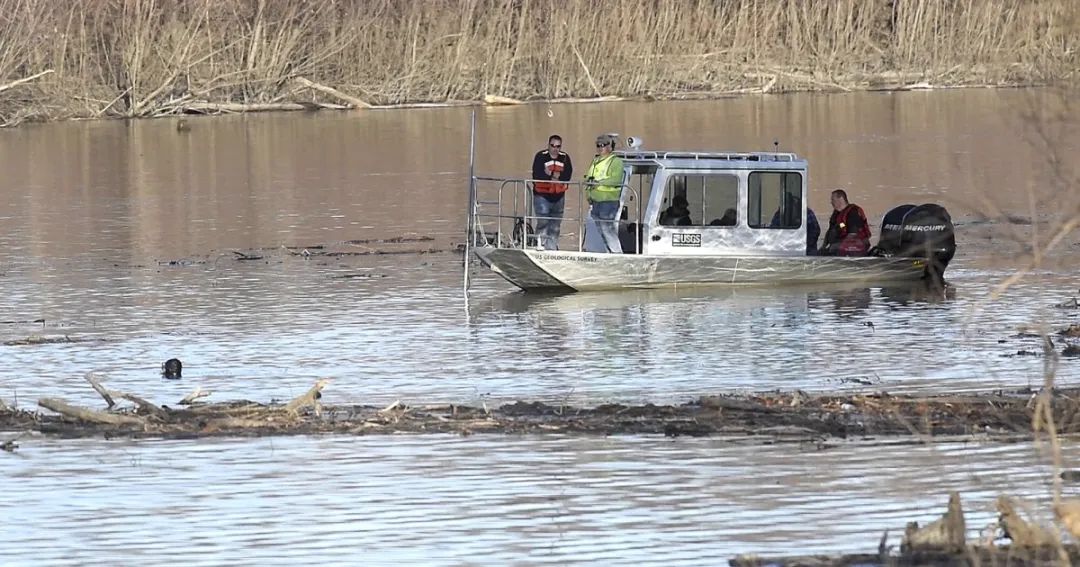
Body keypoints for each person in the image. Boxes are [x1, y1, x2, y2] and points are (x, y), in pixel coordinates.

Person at [530, 134, 573, 250]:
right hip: (542, 196)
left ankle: (552, 249)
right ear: (548, 145)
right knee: (543, 222)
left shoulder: (565, 158)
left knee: (556, 226)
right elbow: (537, 175)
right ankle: (539, 245)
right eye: (553, 145)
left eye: (558, 146)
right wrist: (555, 176)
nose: (555, 149)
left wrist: (551, 174)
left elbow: (567, 175)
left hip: (559, 197)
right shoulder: (541, 156)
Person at [584, 133, 625, 253]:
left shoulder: (616, 162)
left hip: (608, 201)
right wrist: (588, 195)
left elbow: (616, 180)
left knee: (607, 229)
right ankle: (610, 253)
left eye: (603, 145)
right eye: (598, 145)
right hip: (595, 202)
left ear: (610, 146)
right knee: (601, 230)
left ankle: (617, 253)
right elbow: (589, 179)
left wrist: (599, 183)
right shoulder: (595, 161)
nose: (600, 147)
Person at [821, 189, 871, 256]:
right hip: (838, 244)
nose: (831, 202)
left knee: (834, 249)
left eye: (833, 200)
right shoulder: (836, 214)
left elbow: (852, 234)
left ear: (841, 199)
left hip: (856, 244)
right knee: (822, 252)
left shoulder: (853, 212)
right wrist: (823, 246)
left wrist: (841, 246)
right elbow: (831, 229)